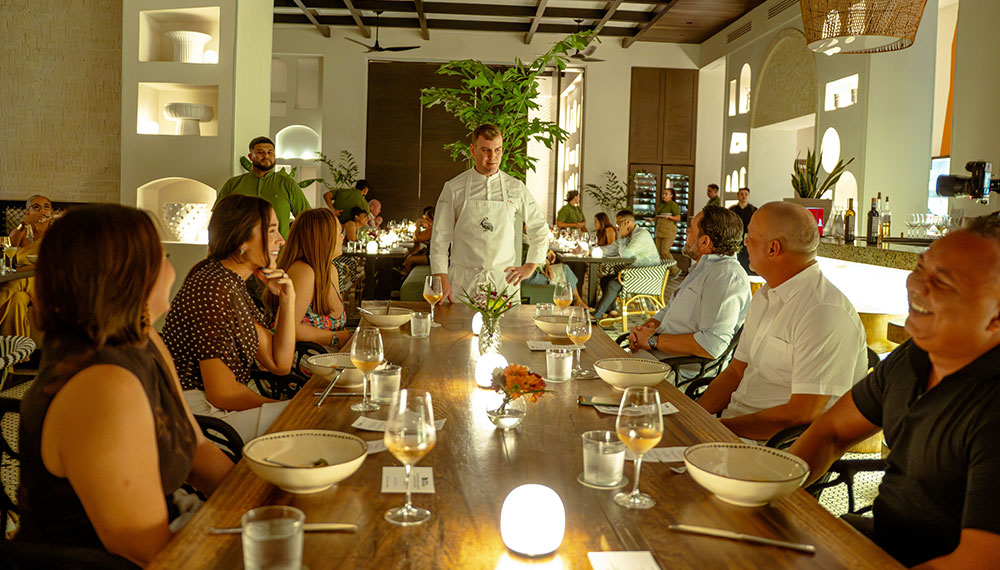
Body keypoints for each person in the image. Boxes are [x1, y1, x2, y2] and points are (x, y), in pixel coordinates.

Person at [17, 204, 232, 565]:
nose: (171, 266)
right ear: (130, 276)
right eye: (161, 255)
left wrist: (265, 502)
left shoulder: (144, 340)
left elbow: (197, 449)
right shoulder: (102, 386)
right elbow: (144, 549)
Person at [789, 216, 1000, 568]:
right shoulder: (914, 355)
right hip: (878, 544)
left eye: (943, 282)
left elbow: (978, 561)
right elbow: (832, 430)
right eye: (920, 267)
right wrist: (774, 491)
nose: (916, 285)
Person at [697, 202, 867, 440]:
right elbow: (736, 372)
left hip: (776, 449)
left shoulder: (823, 312)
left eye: (750, 236)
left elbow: (800, 415)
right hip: (734, 430)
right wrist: (694, 416)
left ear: (773, 249)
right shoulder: (766, 295)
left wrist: (718, 428)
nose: (745, 242)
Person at [162, 195, 297, 443]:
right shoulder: (213, 286)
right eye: (272, 230)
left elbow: (280, 363)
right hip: (201, 417)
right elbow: (222, 394)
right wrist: (285, 406)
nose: (282, 240)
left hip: (219, 409)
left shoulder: (231, 283)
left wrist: (288, 300)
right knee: (309, 420)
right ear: (241, 241)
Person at [628, 206, 751, 380]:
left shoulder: (726, 276)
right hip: (655, 358)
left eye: (691, 229)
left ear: (705, 242)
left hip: (676, 370)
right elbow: (669, 311)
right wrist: (644, 331)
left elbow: (712, 344)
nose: (685, 231)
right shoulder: (703, 268)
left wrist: (653, 341)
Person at [430, 124, 548, 303]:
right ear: (473, 150)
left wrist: (531, 265)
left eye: (497, 150)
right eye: (485, 150)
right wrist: (441, 277)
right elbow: (440, 237)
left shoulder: (516, 187)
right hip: (463, 282)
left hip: (503, 282)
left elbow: (539, 228)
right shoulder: (454, 188)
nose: (492, 157)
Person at [265, 209, 352, 351]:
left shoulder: (331, 269)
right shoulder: (304, 272)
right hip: (299, 362)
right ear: (324, 239)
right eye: (339, 233)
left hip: (325, 357)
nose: (343, 237)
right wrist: (335, 338)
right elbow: (288, 328)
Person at [216, 136, 310, 238]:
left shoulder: (287, 184)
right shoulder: (233, 184)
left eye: (270, 152)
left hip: (279, 251)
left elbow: (307, 218)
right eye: (260, 152)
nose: (266, 156)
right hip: (241, 250)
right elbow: (218, 219)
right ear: (250, 156)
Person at [591, 210, 660, 321]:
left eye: (619, 224)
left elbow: (625, 255)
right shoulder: (628, 236)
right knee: (605, 280)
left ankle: (596, 315)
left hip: (648, 277)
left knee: (613, 284)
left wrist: (622, 237)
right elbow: (612, 248)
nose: (617, 227)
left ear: (627, 222)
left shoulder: (642, 235)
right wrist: (591, 251)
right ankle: (611, 312)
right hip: (635, 274)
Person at [523, 250, 588, 307]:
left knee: (566, 269)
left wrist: (547, 261)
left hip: (534, 270)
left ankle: (577, 300)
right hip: (529, 276)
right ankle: (577, 300)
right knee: (565, 271)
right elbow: (532, 259)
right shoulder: (523, 240)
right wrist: (546, 256)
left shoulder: (526, 239)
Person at [653, 185, 682, 272]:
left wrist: (669, 217)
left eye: (666, 194)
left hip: (669, 231)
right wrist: (652, 220)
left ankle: (675, 269)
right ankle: (663, 271)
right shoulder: (661, 205)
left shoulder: (673, 205)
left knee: (665, 251)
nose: (664, 195)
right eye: (663, 194)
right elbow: (656, 217)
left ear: (671, 195)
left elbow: (678, 218)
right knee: (658, 252)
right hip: (659, 230)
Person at [729, 187, 757, 273]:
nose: (743, 196)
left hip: (748, 239)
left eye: (746, 194)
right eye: (741, 194)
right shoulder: (732, 210)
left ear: (749, 196)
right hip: (734, 239)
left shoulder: (754, 210)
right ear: (737, 196)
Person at [400, 206, 434, 276]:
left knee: (409, 259)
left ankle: (405, 277)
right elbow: (416, 237)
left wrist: (418, 224)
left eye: (426, 218)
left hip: (432, 257)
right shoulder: (431, 228)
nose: (424, 220)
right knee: (411, 256)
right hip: (430, 254)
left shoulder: (433, 229)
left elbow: (417, 238)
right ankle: (404, 275)